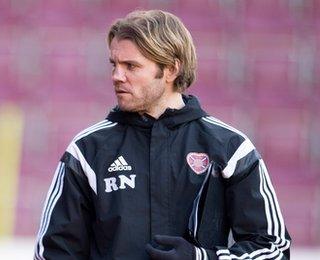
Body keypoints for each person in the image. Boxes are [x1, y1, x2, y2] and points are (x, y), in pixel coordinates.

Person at [35, 10, 290, 259]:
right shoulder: (87, 151)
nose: (116, 76)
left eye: (131, 66)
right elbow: (53, 252)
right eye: (114, 64)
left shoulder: (230, 148)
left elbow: (274, 250)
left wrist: (201, 257)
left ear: (171, 69)